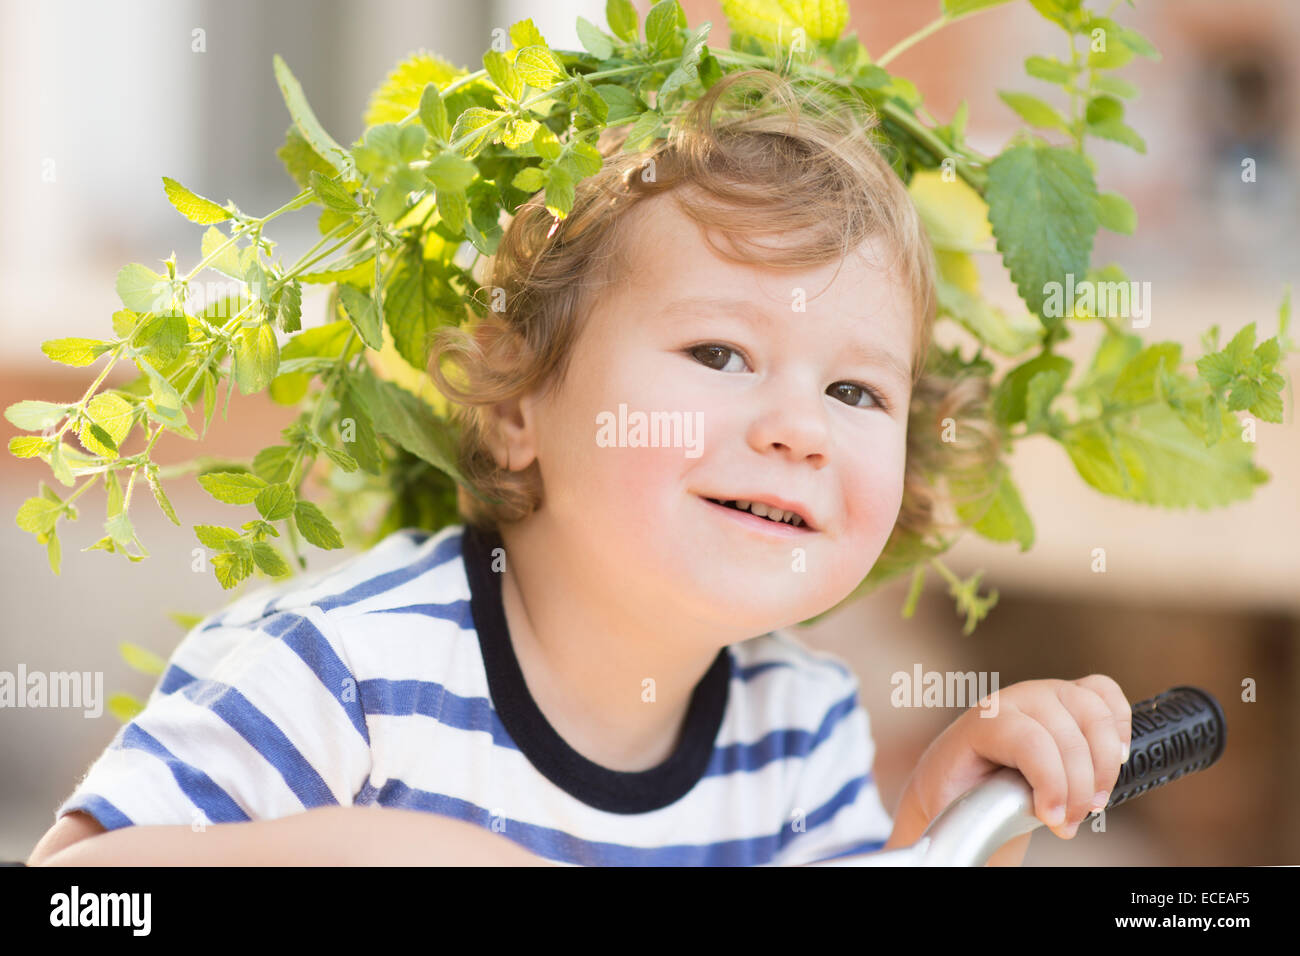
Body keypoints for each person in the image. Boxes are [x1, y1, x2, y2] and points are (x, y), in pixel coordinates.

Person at [28, 68, 1131, 867]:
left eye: (856, 391)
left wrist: (946, 831)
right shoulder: (345, 666)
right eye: (718, 352)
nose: (802, 428)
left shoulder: (799, 724)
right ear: (518, 407)